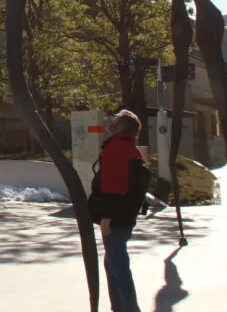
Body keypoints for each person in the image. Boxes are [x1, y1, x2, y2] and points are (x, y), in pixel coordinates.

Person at [95, 110, 150, 312]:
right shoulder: (131, 149)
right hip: (126, 214)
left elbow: (113, 184)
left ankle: (128, 308)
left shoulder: (116, 149)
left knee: (117, 265)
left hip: (115, 216)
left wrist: (107, 216)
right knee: (113, 263)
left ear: (122, 127)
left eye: (116, 119)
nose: (112, 120)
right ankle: (120, 306)